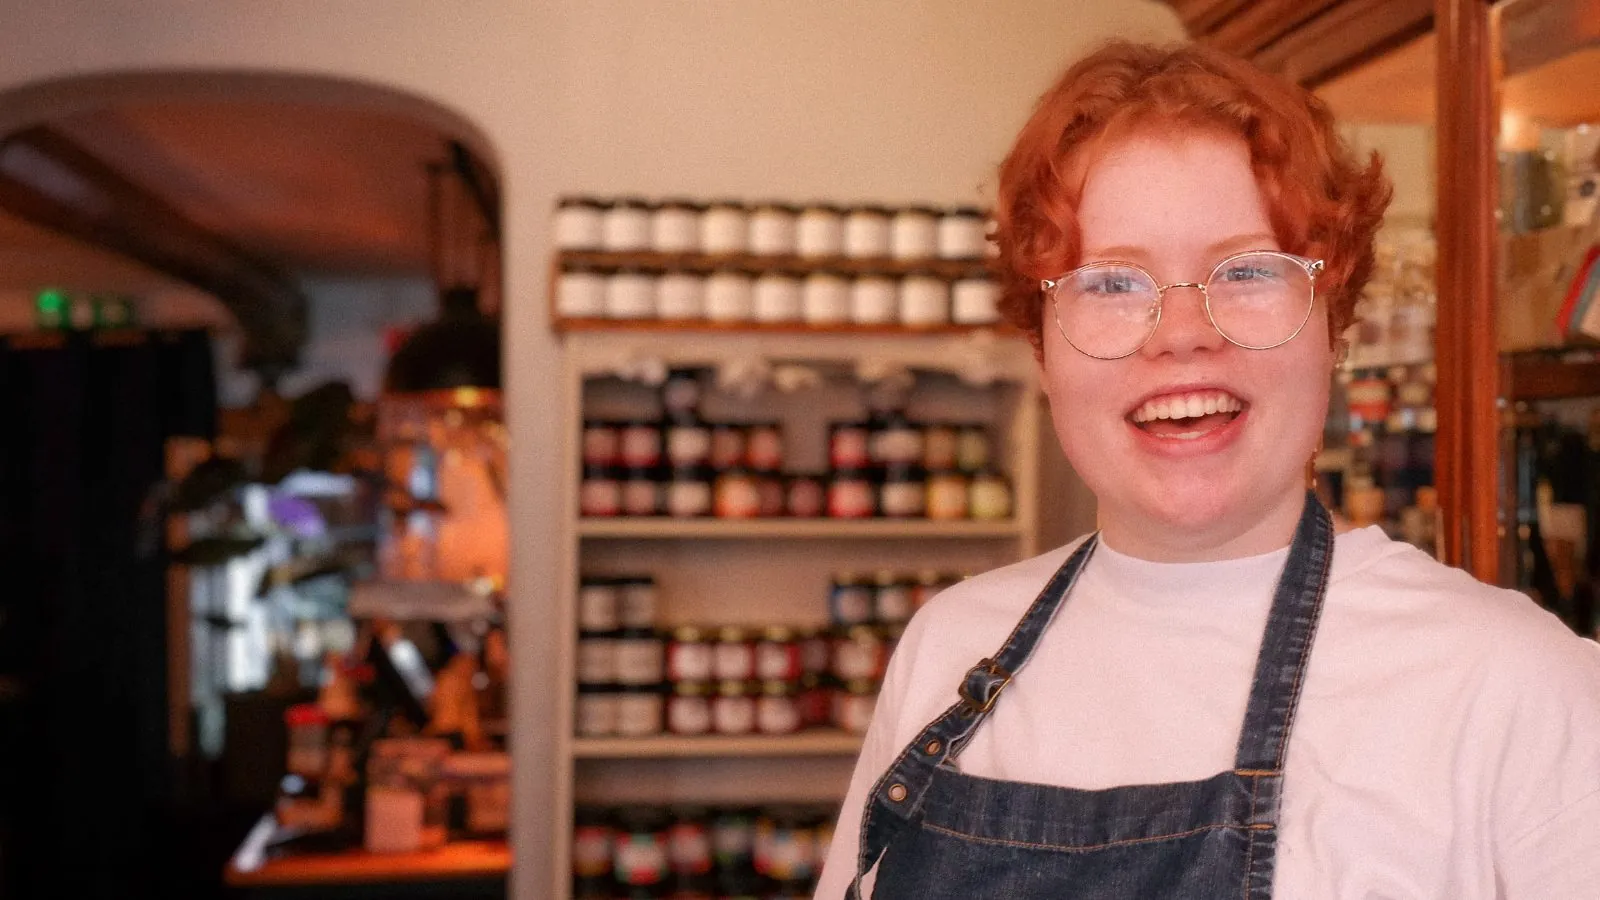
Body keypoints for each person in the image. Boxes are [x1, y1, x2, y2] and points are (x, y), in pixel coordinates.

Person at [814, 41, 1600, 899]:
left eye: (1248, 271)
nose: (1182, 332)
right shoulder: (947, 649)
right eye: (1112, 282)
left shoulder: (1518, 691)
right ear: (1041, 353)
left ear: (1335, 326)